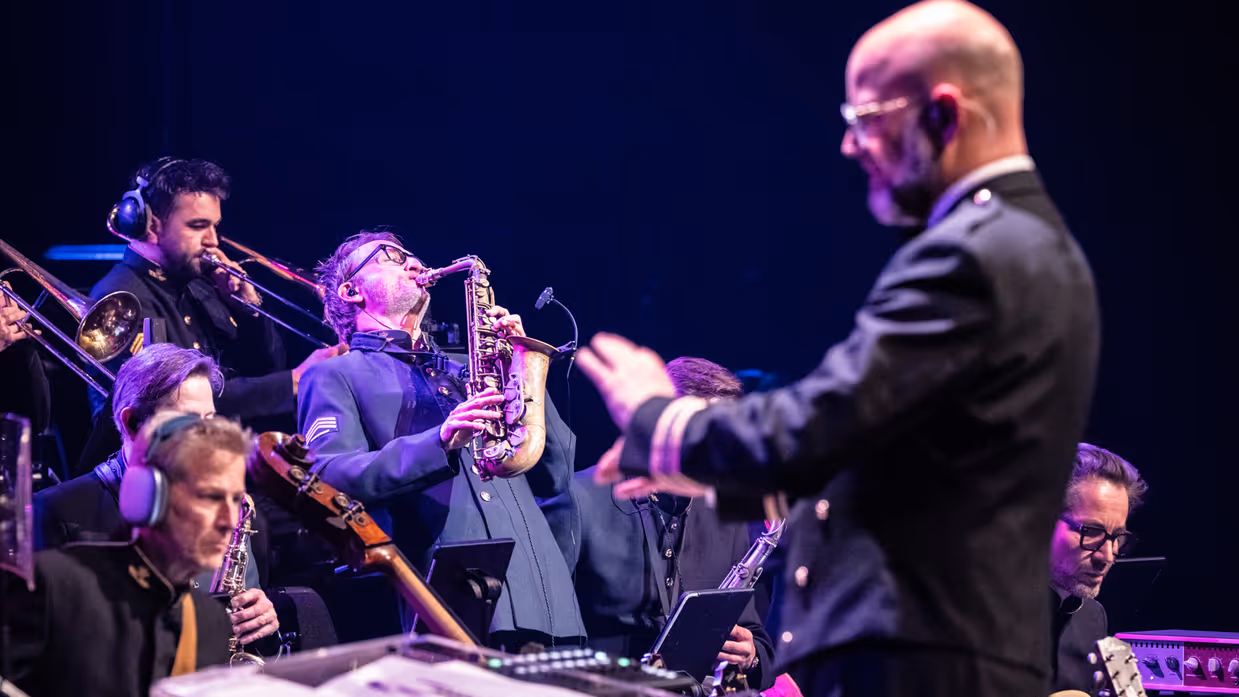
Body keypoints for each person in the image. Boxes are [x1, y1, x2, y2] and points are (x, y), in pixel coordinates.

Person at [576, 1, 1100, 695]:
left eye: (865, 121)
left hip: (922, 664)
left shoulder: (977, 256)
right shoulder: (1018, 245)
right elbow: (887, 454)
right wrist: (707, 473)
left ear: (942, 114)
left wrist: (656, 416)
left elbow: (825, 420)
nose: (849, 147)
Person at [297, 230, 585, 650]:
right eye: (391, 259)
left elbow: (556, 476)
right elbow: (327, 477)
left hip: (546, 595)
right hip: (454, 600)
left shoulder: (465, 370)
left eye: (411, 256)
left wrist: (519, 371)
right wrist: (440, 441)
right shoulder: (335, 374)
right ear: (351, 290)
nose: (413, 264)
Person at [79, 157, 345, 472]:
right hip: (154, 475)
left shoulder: (203, 285)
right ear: (150, 225)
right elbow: (176, 401)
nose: (214, 241)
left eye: (214, 225)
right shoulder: (118, 299)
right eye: (197, 226)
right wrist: (293, 382)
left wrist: (248, 308)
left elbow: (268, 366)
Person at [544, 357, 775, 688]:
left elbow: (755, 640)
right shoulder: (578, 499)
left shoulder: (725, 514)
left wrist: (749, 655)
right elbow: (544, 633)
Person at [31, 342, 280, 648]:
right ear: (133, 423)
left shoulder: (235, 507)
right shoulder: (57, 512)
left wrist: (264, 612)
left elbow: (251, 599)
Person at [2, 412, 252, 697]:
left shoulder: (213, 623)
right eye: (211, 497)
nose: (229, 520)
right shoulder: (55, 586)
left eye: (235, 500)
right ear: (148, 496)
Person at [1049, 444, 1146, 694]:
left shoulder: (1093, 616)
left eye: (1117, 537)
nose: (1108, 556)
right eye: (1091, 532)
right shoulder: (988, 611)